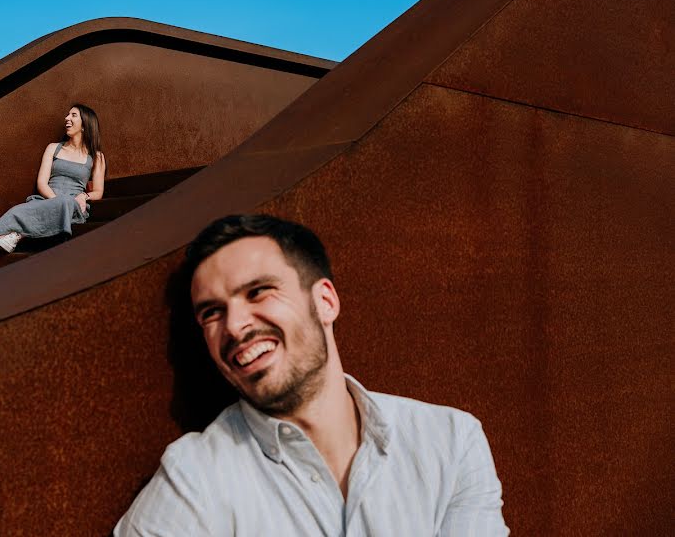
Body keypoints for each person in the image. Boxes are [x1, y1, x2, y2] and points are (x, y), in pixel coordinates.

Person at [115, 215, 509, 536]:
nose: (234, 326)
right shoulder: (194, 479)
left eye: (258, 292)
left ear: (324, 302)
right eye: (211, 313)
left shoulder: (449, 442)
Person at [0, 104, 106, 281]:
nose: (67, 118)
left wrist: (85, 195)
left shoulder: (96, 157)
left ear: (85, 124)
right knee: (14, 212)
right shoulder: (53, 148)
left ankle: (19, 234)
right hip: (45, 199)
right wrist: (53, 203)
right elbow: (42, 182)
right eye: (67, 114)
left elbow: (99, 191)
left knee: (65, 202)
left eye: (73, 115)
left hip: (72, 206)